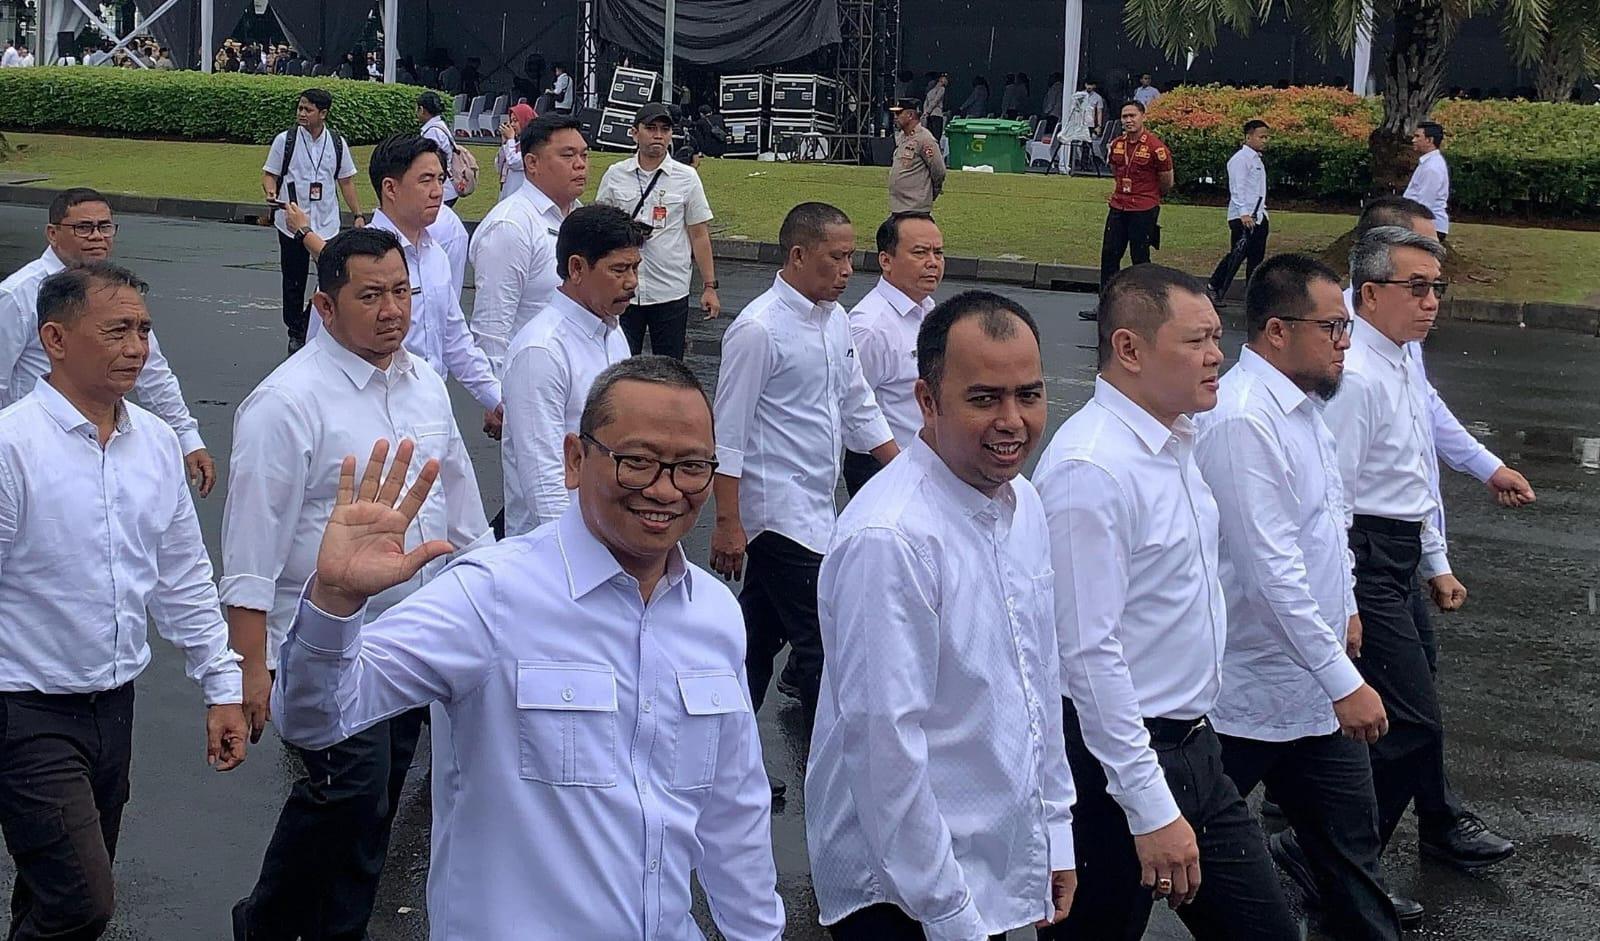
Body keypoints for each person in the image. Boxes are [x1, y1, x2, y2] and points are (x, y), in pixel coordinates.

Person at [272, 355, 786, 940]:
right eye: (637, 462)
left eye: (691, 467)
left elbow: (733, 809)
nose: (665, 489)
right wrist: (336, 603)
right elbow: (316, 719)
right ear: (575, 459)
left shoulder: (714, 613)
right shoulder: (490, 594)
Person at [224, 227, 488, 941]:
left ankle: (318, 924)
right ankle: (274, 924)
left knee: (375, 804)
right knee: (348, 794)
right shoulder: (286, 402)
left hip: (415, 637)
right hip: (323, 644)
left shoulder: (424, 382)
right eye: (370, 296)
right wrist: (249, 667)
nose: (392, 310)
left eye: (401, 291)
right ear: (325, 306)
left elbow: (459, 505)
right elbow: (250, 548)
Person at [1033, 264, 1298, 940]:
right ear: (1129, 348)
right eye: (1197, 340)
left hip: (1195, 748)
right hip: (1114, 762)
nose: (1217, 356)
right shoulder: (1093, 470)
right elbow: (1087, 656)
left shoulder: (1175, 441)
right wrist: (1148, 805)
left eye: (1217, 337)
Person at [807, 290, 1077, 940]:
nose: (1013, 420)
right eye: (984, 398)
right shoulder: (891, 538)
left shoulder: (1023, 505)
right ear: (926, 401)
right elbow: (884, 750)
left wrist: (1054, 830)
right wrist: (950, 912)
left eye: (1029, 395)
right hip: (901, 893)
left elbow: (1038, 679)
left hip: (990, 864)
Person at [0, 262, 248, 940]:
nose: (137, 347)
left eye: (143, 330)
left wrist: (222, 687)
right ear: (55, 339)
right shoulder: (13, 446)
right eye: (116, 331)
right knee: (81, 900)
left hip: (113, 708)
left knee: (51, 894)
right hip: (24, 709)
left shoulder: (155, 444)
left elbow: (183, 578)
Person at [1193, 253, 1403, 941]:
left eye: (1346, 328)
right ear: (1277, 331)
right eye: (1333, 328)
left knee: (1353, 861)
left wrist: (1348, 608)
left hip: (1312, 687)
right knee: (1178, 861)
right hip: (1242, 692)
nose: (1345, 343)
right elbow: (1269, 571)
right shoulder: (1243, 419)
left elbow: (1326, 523)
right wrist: (1345, 680)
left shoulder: (1304, 407)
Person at [1323, 226, 1518, 883]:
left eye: (1436, 287)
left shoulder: (1402, 355)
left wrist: (1435, 559)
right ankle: (1334, 858)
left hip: (1401, 550)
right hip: (1365, 557)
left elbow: (1413, 468)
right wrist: (1345, 600)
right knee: (1409, 721)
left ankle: (1356, 851)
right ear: (1369, 293)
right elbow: (1334, 498)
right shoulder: (1355, 375)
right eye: (1416, 288)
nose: (1431, 302)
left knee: (1412, 707)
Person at [709, 202, 898, 779]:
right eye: (835, 258)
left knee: (753, 643)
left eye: (851, 257)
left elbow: (857, 403)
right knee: (822, 647)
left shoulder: (834, 320)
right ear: (796, 255)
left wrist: (906, 473)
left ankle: (718, 762)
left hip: (819, 510)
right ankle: (837, 776)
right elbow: (728, 433)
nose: (846, 271)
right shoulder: (758, 330)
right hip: (777, 517)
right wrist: (728, 522)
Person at [0, 188, 215, 495]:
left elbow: (153, 372)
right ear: (52, 234)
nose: (97, 236)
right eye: (83, 227)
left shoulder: (116, 293)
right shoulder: (17, 295)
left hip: (107, 444)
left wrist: (187, 438)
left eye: (105, 227)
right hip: (34, 453)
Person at [298, 135, 503, 435]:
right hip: (366, 414)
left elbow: (456, 342)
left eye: (441, 179)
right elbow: (317, 349)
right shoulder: (353, 259)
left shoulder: (436, 256)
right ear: (390, 188)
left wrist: (498, 400)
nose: (437, 191)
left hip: (429, 411)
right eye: (425, 180)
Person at [501, 205, 644, 537]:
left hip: (610, 533)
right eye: (619, 269)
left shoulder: (612, 332)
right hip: (555, 547)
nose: (632, 282)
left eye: (635, 267)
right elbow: (544, 478)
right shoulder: (541, 351)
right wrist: (575, 552)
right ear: (577, 268)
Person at [595, 102, 721, 359]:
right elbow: (600, 228)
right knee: (620, 364)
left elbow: (699, 234)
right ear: (634, 133)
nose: (658, 135)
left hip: (670, 289)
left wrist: (709, 287)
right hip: (623, 289)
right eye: (651, 128)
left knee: (670, 367)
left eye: (665, 130)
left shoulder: (686, 177)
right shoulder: (615, 174)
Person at [470, 114, 589, 374]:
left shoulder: (580, 217)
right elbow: (491, 332)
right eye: (568, 155)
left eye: (584, 155)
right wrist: (500, 393)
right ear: (532, 163)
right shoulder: (510, 227)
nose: (580, 165)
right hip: (529, 381)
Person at [843, 212, 944, 495]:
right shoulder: (870, 327)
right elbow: (850, 406)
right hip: (885, 469)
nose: (933, 262)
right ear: (886, 260)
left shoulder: (929, 311)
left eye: (938, 252)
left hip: (930, 465)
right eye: (920, 252)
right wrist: (899, 467)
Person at [262, 88, 365, 352]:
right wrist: (271, 192)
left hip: (326, 223)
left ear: (323, 113)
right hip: (292, 223)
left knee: (330, 277)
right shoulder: (285, 141)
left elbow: (346, 181)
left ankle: (311, 322)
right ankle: (295, 330)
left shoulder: (337, 143)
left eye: (308, 109)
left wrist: (358, 214)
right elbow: (270, 174)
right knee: (293, 279)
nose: (302, 113)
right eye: (300, 108)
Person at [1090, 100, 1173, 313]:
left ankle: (1145, 306)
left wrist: (1151, 196)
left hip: (1143, 208)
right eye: (1124, 116)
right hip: (1119, 205)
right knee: (1110, 255)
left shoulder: (1156, 147)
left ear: (1143, 117)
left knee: (1140, 257)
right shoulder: (1117, 144)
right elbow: (1115, 169)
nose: (1128, 120)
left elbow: (1166, 180)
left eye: (1132, 116)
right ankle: (1106, 306)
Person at [1208, 119, 1271, 300]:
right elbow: (1237, 188)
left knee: (1256, 257)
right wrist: (1243, 212)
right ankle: (1216, 285)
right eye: (1261, 137)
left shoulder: (1256, 160)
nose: (1264, 141)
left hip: (1258, 215)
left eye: (1266, 137)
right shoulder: (1240, 160)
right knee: (1237, 254)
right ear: (1248, 137)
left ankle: (1252, 292)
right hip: (1243, 216)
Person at [887, 99, 946, 214]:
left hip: (915, 208)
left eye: (898, 113)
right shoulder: (903, 137)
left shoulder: (924, 139)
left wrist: (932, 192)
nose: (895, 117)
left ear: (910, 115)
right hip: (900, 206)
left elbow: (938, 170)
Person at [1403, 122, 1451, 240]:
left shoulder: (1432, 167)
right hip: (1424, 225)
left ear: (1430, 140)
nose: (1413, 140)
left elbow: (1424, 204)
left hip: (1428, 227)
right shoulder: (1428, 163)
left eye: (1417, 136)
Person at [416, 91, 459, 206]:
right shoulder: (440, 125)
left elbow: (427, 161)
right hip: (447, 186)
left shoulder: (432, 132)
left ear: (422, 109)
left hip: (443, 189)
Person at [495, 102, 537, 201]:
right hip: (508, 192)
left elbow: (514, 162)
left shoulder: (534, 145)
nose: (512, 125)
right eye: (511, 121)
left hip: (522, 197)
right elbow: (499, 166)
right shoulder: (516, 143)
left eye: (516, 121)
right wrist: (505, 143)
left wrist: (510, 140)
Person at [923, 73, 949, 141]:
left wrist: (925, 112)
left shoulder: (930, 91)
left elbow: (926, 102)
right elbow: (936, 100)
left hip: (929, 115)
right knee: (936, 135)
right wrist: (928, 111)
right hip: (937, 113)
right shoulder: (942, 89)